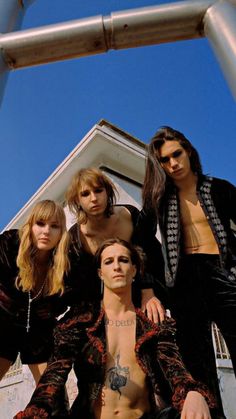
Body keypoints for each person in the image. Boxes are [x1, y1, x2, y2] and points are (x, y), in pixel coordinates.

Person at [15, 238, 216, 418]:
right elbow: (55, 374)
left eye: (124, 260)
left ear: (135, 270)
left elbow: (174, 367)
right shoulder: (81, 322)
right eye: (109, 262)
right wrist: (35, 411)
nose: (117, 266)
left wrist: (192, 392)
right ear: (100, 273)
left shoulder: (152, 322)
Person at [140, 125, 236, 418]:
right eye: (165, 161)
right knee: (197, 363)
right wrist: (147, 290)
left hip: (224, 274)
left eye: (176, 154)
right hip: (184, 283)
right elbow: (140, 242)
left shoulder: (219, 188)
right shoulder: (159, 200)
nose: (173, 164)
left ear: (189, 150)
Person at [65, 167, 166, 323]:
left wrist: (149, 292)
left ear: (107, 192)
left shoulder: (128, 215)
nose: (93, 198)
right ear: (77, 200)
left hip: (145, 288)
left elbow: (151, 254)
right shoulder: (75, 238)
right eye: (85, 194)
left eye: (98, 191)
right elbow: (79, 284)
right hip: (104, 303)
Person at [0, 199, 70, 385]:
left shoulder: (64, 267)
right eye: (40, 223)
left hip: (40, 332)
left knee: (53, 395)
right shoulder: (8, 245)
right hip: (3, 324)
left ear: (61, 232)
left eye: (54, 226)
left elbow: (70, 301)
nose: (46, 231)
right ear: (30, 225)